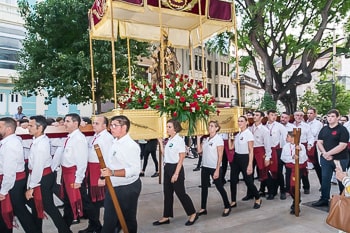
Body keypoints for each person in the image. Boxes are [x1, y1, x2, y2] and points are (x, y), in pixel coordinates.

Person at [26, 115, 71, 233]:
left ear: (39, 128)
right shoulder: (38, 140)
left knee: (49, 207)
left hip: (42, 177)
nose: (28, 128)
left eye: (31, 125)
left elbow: (38, 167)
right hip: (42, 176)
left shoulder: (41, 144)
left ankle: (65, 230)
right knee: (37, 206)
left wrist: (32, 186)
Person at [99, 115, 142, 233]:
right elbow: (110, 162)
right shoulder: (115, 141)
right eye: (111, 125)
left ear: (124, 127)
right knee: (109, 220)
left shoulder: (131, 146)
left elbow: (134, 170)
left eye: (114, 125)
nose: (111, 128)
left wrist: (112, 173)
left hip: (127, 187)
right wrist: (103, 176)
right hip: (113, 185)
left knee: (128, 219)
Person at [153, 119, 198, 226]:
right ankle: (166, 216)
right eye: (167, 127)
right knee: (167, 194)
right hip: (168, 167)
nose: (167, 129)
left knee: (181, 193)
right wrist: (160, 142)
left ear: (175, 128)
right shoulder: (170, 140)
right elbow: (166, 155)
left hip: (175, 168)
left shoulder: (179, 140)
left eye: (169, 127)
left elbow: (181, 158)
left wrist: (176, 173)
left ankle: (192, 213)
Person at [0, 117, 40, 233]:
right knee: (10, 210)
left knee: (20, 211)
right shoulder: (8, 142)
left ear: (8, 129)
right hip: (12, 181)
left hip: (13, 182)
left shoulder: (10, 144)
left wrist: (3, 190)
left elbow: (9, 170)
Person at [78, 116, 113, 233]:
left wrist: (102, 176)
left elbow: (108, 158)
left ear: (104, 126)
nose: (93, 125)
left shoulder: (106, 138)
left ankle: (104, 226)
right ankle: (94, 225)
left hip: (99, 170)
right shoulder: (95, 135)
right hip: (91, 169)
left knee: (98, 201)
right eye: (93, 123)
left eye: (97, 123)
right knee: (93, 200)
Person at [313, 109, 350, 207]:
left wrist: (329, 153)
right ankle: (324, 199)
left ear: (338, 117)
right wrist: (325, 153)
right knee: (325, 178)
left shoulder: (343, 130)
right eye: (328, 116)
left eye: (332, 116)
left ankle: (345, 200)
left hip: (340, 159)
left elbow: (342, 145)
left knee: (341, 179)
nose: (330, 118)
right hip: (325, 159)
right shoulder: (324, 129)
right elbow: (319, 142)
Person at [196, 121, 231, 217]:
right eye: (209, 126)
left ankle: (227, 205)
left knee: (219, 187)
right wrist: (198, 139)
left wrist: (217, 169)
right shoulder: (206, 139)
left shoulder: (218, 139)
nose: (209, 127)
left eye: (212, 126)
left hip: (214, 167)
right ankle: (203, 208)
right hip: (205, 166)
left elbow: (220, 156)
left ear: (216, 128)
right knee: (204, 187)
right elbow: (199, 151)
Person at [228, 116, 262, 209]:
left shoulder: (248, 134)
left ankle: (258, 198)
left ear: (247, 122)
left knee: (248, 181)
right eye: (238, 121)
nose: (239, 123)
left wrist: (250, 164)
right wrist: (229, 136)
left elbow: (251, 150)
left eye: (242, 121)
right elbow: (231, 147)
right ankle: (233, 201)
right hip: (236, 158)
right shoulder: (238, 134)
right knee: (233, 180)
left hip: (245, 158)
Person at [60, 113, 88, 227]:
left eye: (67, 121)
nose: (64, 124)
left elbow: (81, 161)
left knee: (83, 202)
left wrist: (78, 179)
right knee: (68, 200)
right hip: (66, 173)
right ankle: (66, 222)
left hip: (73, 174)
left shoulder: (79, 139)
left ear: (75, 123)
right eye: (64, 121)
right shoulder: (70, 137)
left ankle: (95, 224)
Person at [281, 131, 308, 214]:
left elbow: (304, 158)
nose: (286, 138)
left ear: (293, 138)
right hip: (289, 168)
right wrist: (292, 158)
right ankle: (296, 200)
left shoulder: (301, 146)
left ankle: (296, 204)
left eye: (288, 136)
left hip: (297, 169)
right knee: (289, 186)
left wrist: (299, 154)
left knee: (295, 186)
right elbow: (283, 158)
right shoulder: (286, 146)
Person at [249, 111, 274, 199]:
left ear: (262, 118)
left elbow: (267, 144)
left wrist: (268, 157)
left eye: (257, 115)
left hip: (260, 151)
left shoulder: (264, 130)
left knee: (264, 172)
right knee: (249, 173)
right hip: (251, 151)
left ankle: (271, 191)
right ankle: (250, 193)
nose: (254, 117)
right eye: (254, 115)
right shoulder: (250, 128)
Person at [265, 109, 288, 200]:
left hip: (277, 151)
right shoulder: (264, 126)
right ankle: (272, 191)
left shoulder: (279, 126)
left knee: (278, 172)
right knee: (268, 172)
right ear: (267, 115)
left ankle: (282, 190)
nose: (274, 117)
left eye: (275, 115)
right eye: (272, 115)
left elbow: (286, 137)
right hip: (267, 151)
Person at [293, 110, 314, 194]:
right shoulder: (290, 126)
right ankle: (294, 186)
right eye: (297, 115)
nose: (299, 117)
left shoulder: (306, 126)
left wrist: (310, 144)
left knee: (303, 168)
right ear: (294, 116)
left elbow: (310, 137)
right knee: (293, 168)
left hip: (303, 148)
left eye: (301, 115)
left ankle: (306, 186)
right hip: (292, 147)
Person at [306, 107, 323, 187]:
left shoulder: (317, 123)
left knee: (317, 166)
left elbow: (313, 133)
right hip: (306, 144)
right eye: (308, 113)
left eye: (311, 113)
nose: (309, 115)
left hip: (315, 145)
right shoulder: (306, 123)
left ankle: (323, 184)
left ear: (315, 114)